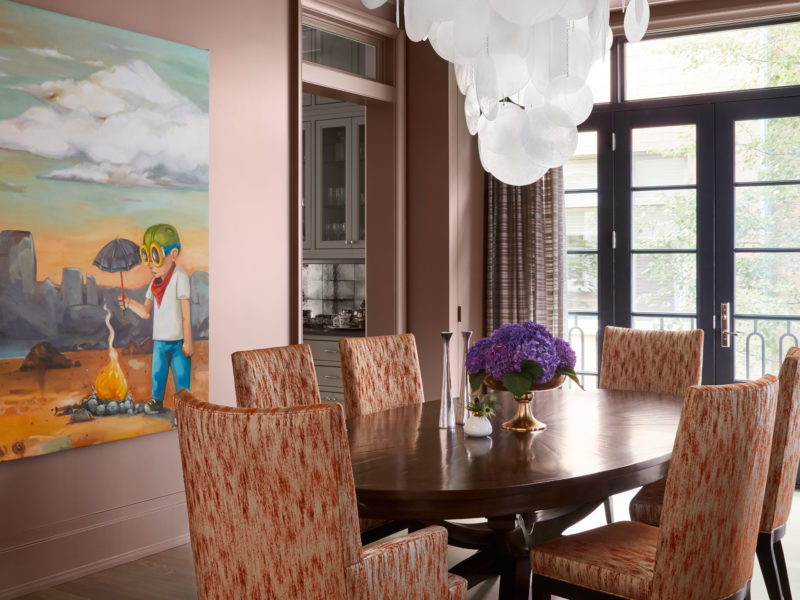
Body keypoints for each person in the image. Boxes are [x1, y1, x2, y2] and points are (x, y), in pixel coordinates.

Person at [120, 224, 192, 413]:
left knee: (181, 378)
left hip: (178, 341)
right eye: (147, 257)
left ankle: (184, 410)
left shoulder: (180, 277)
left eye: (156, 256)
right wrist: (129, 303)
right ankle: (156, 400)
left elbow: (186, 314)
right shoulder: (153, 283)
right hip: (159, 340)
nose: (151, 264)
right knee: (157, 374)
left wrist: (189, 341)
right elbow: (145, 311)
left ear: (173, 254)